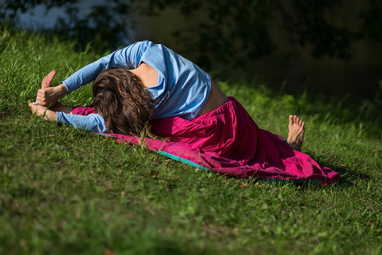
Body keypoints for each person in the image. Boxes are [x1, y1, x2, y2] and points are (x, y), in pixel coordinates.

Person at [29, 40, 338, 184]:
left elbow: (104, 126)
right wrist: (63, 89)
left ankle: (290, 153)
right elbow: (104, 63)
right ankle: (287, 149)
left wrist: (54, 115)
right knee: (257, 144)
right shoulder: (147, 50)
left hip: (215, 135)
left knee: (126, 126)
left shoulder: (152, 101)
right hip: (238, 117)